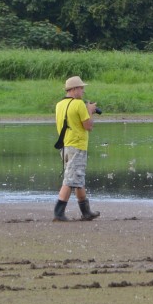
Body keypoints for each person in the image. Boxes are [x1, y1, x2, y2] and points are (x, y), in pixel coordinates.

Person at [53, 76, 100, 221]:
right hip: (77, 146)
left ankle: (86, 212)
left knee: (78, 179)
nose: (83, 90)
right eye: (81, 88)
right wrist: (90, 110)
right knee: (70, 180)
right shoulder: (79, 104)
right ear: (73, 90)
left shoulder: (59, 104)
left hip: (66, 146)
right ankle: (58, 213)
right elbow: (89, 126)